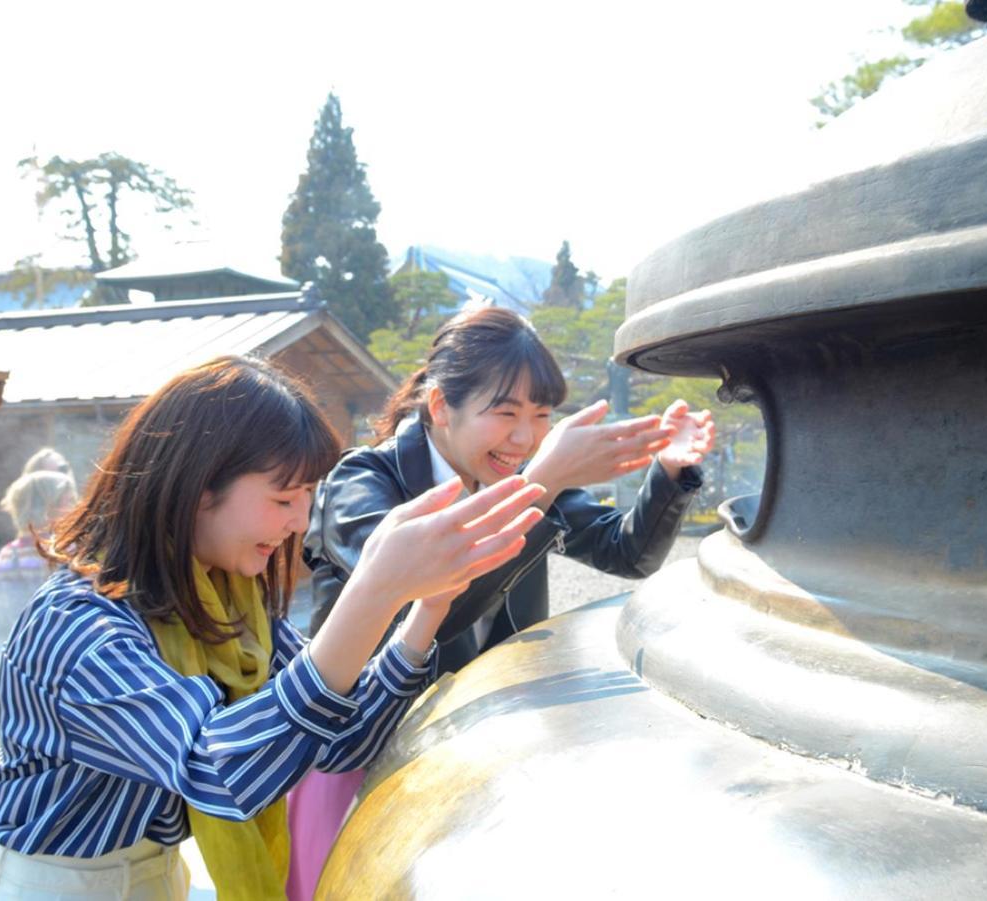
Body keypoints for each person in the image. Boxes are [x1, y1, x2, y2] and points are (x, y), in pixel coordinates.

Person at [0, 356, 545, 900]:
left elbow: (340, 741)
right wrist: (371, 593)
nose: (299, 521)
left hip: (151, 877)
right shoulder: (78, 625)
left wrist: (426, 610)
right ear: (198, 489)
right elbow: (220, 776)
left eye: (306, 498)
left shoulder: (225, 604)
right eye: (282, 498)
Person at [289, 307, 715, 896]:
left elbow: (626, 554)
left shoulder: (516, 476)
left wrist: (670, 472)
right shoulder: (363, 482)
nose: (524, 437)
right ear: (441, 407)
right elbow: (424, 607)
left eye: (541, 416)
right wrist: (540, 482)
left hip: (480, 747)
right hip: (362, 751)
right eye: (505, 412)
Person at [0, 470, 78, 636]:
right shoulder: (68, 551)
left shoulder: (6, 555)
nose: (77, 506)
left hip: (21, 651)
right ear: (47, 507)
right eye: (70, 500)